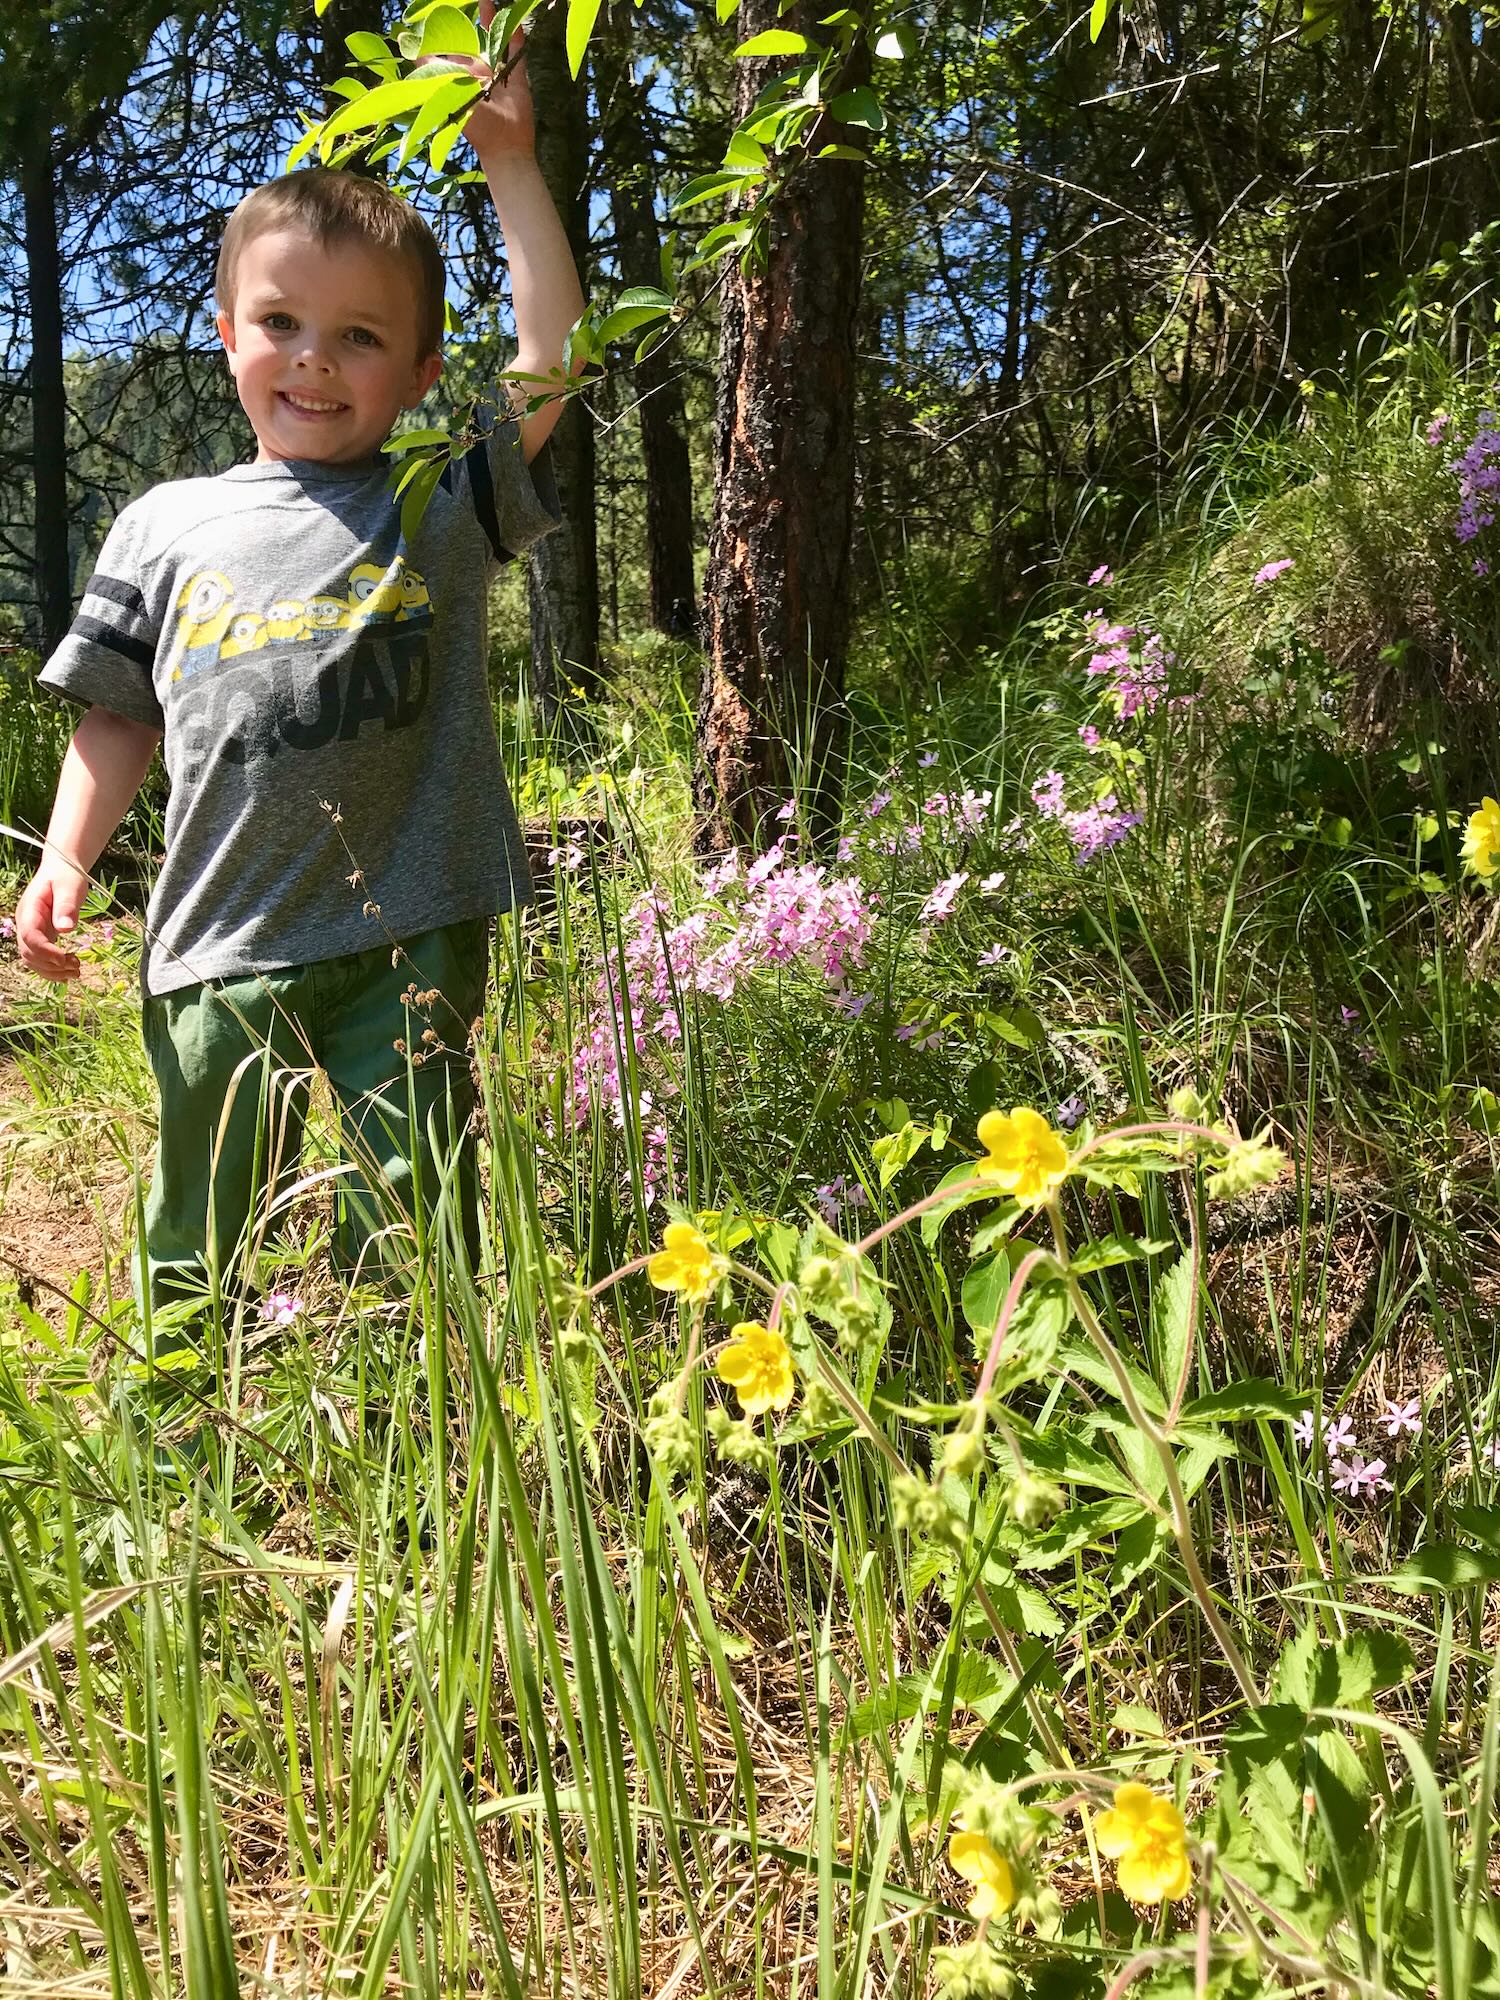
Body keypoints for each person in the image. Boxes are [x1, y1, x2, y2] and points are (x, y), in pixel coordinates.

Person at [16, 15, 583, 1320]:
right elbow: (116, 716)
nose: (316, 356)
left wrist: (508, 159)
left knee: (414, 1220)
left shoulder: (437, 500)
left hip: (413, 938)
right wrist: (64, 858)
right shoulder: (164, 528)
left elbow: (551, 364)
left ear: (422, 371)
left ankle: (406, 1426)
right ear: (226, 336)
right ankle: (175, 1433)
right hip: (220, 950)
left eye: (362, 337)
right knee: (196, 1238)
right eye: (281, 321)